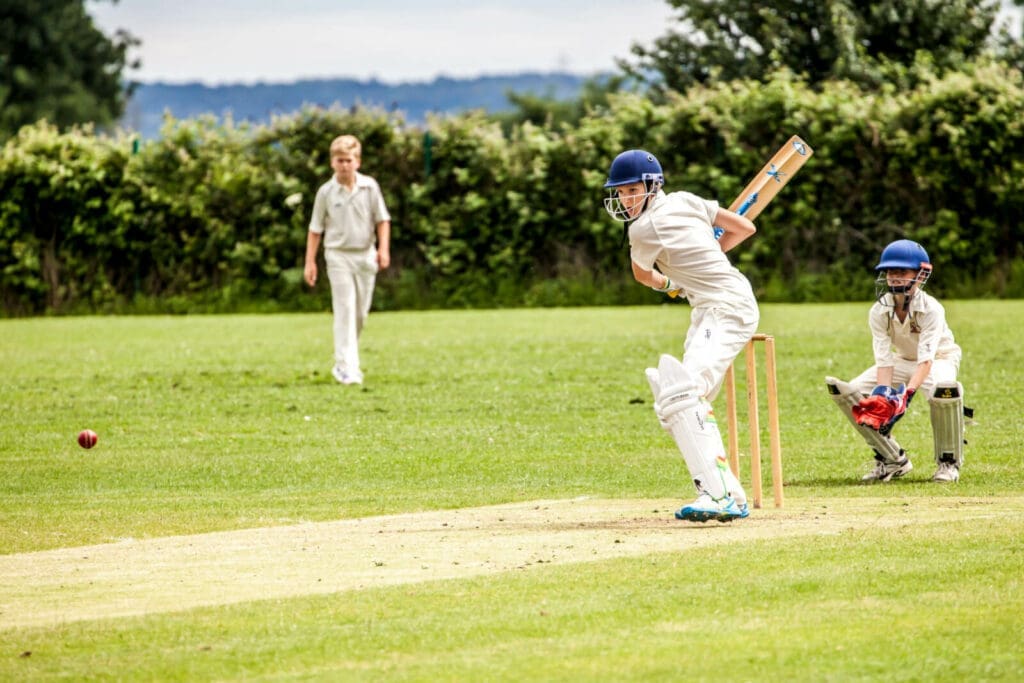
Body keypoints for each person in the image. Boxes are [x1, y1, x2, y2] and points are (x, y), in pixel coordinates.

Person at [603, 149, 759, 522]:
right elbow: (744, 228)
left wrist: (672, 283)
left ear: (651, 185)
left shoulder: (642, 229)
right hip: (714, 304)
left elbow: (642, 276)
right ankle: (727, 492)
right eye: (620, 193)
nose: (625, 200)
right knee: (677, 403)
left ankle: (720, 497)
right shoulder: (687, 200)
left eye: (630, 190)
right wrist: (708, 252)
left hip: (723, 306)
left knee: (683, 391)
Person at [825, 239, 966, 482]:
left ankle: (948, 463)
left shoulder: (932, 309)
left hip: (939, 359)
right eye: (890, 272)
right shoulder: (879, 310)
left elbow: (926, 360)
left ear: (921, 275)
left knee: (944, 392)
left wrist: (905, 396)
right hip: (902, 360)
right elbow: (884, 361)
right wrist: (882, 394)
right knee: (851, 391)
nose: (894, 278)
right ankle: (891, 459)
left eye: (901, 272)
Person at [304, 134, 391, 385]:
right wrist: (310, 262)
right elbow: (315, 229)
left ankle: (347, 359)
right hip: (338, 256)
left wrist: (383, 250)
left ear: (357, 162)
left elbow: (382, 220)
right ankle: (347, 367)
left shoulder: (370, 187)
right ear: (332, 162)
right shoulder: (326, 192)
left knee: (360, 314)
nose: (344, 165)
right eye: (339, 160)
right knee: (344, 310)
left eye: (348, 160)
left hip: (365, 255)